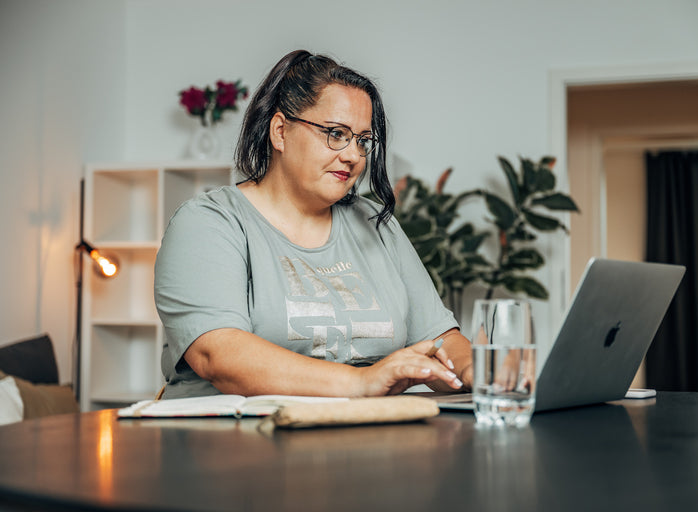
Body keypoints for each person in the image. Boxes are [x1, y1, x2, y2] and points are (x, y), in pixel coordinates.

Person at [154, 50, 473, 399]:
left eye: (363, 141)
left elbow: (440, 341)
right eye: (336, 133)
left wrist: (482, 372)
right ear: (280, 132)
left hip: (360, 442)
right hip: (231, 443)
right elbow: (219, 355)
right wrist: (360, 383)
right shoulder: (210, 222)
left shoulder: (376, 225)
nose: (353, 155)